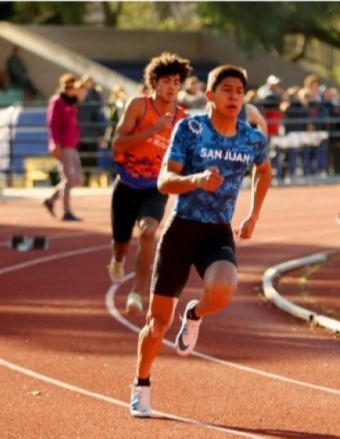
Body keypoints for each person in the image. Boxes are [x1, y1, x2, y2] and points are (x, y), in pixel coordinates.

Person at [129, 64, 272, 417]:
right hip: (182, 229)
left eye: (239, 91)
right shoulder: (190, 129)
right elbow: (164, 181)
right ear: (210, 95)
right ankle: (141, 385)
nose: (234, 96)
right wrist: (197, 179)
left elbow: (264, 171)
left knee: (224, 288)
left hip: (217, 231)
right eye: (227, 90)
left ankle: (194, 313)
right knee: (157, 323)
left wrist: (253, 215)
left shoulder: (252, 138)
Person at [108, 52, 193, 315]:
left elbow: (185, 157)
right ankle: (117, 258)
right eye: (166, 81)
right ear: (154, 82)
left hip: (155, 188)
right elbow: (117, 145)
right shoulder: (138, 106)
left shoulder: (183, 118)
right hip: (127, 184)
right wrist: (153, 130)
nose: (172, 87)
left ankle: (136, 293)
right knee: (122, 242)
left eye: (176, 82)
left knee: (148, 231)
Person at [43, 74, 84, 222]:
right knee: (70, 178)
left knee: (77, 179)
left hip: (72, 144)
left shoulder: (72, 102)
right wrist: (55, 143)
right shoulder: (58, 101)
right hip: (63, 144)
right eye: (70, 87)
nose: (72, 90)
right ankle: (66, 211)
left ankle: (51, 199)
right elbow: (53, 124)